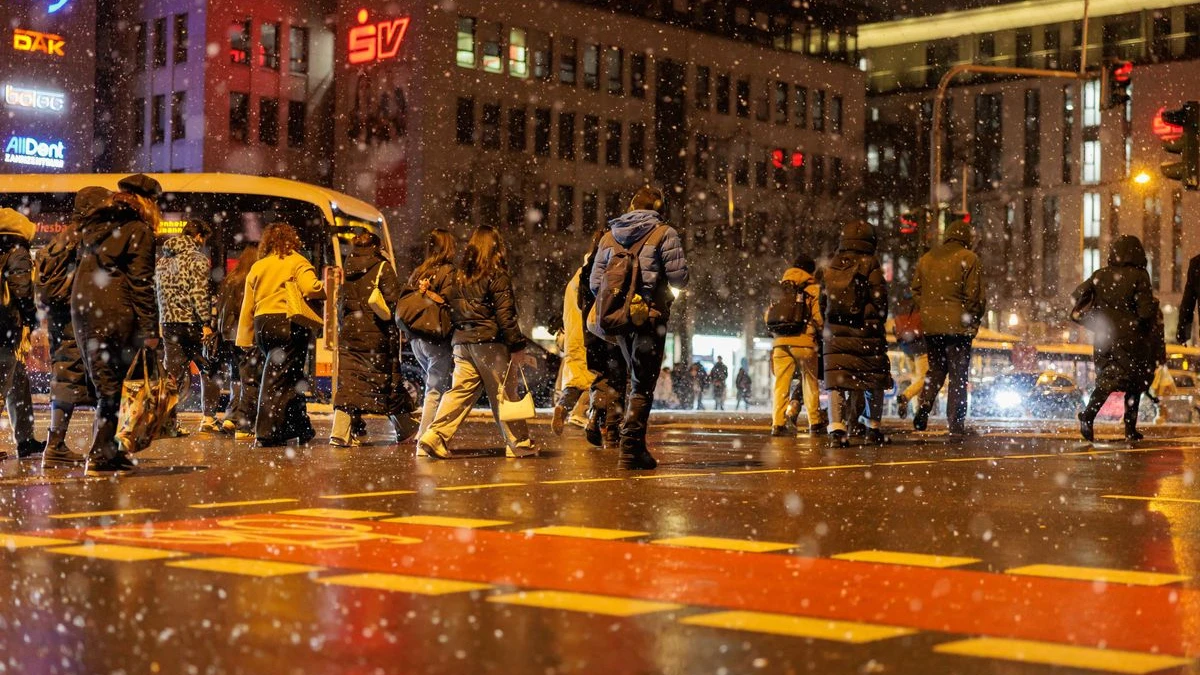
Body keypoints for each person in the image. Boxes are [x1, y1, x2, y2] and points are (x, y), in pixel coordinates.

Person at [589, 186, 688, 469]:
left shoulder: (609, 236)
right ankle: (631, 449)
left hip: (619, 320)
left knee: (633, 378)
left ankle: (630, 445)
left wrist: (621, 296)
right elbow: (679, 278)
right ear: (658, 208)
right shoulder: (664, 233)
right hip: (649, 317)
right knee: (643, 385)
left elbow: (596, 285)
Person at [418, 225, 535, 459]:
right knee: (504, 394)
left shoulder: (460, 276)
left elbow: (451, 308)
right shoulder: (496, 274)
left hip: (462, 343)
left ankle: (435, 435)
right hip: (489, 343)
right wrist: (517, 346)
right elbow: (506, 314)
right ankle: (520, 444)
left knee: (459, 392)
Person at [72, 174, 162, 473]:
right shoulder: (138, 230)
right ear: (147, 202)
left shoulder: (94, 227)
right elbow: (141, 283)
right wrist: (150, 330)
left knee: (105, 385)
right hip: (116, 311)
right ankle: (101, 454)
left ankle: (107, 450)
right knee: (114, 387)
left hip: (85, 310)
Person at [36, 188, 108, 466]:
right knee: (103, 380)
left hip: (60, 317)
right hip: (81, 316)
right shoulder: (89, 238)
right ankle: (98, 448)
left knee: (65, 373)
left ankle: (56, 444)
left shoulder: (61, 238)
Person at [236, 222, 325, 447]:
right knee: (277, 377)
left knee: (290, 375)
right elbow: (311, 288)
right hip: (288, 322)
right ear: (292, 240)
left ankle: (301, 428)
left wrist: (245, 337)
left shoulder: (259, 266)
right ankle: (266, 432)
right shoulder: (297, 261)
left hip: (262, 324)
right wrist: (326, 286)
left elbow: (248, 304)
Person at [331, 232, 417, 447]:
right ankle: (405, 429)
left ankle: (340, 433)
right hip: (377, 335)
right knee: (387, 383)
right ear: (377, 247)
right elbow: (394, 304)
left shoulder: (348, 268)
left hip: (351, 335)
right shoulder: (382, 267)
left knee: (351, 383)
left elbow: (341, 303)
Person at [1073, 235, 1160, 442]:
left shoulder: (1100, 275)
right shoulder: (1139, 276)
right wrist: (1152, 307)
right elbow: (1146, 312)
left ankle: (1089, 415)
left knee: (1105, 382)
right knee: (1134, 384)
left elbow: (1077, 295)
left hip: (1104, 338)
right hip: (1131, 340)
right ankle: (1130, 429)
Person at [910, 218, 985, 437]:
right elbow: (975, 297)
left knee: (936, 371)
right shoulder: (970, 259)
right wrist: (971, 320)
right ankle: (955, 425)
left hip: (932, 328)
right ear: (967, 239)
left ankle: (924, 406)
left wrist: (927, 309)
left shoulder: (926, 259)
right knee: (958, 376)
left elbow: (915, 289)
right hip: (958, 328)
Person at [821, 221, 891, 447]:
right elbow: (880, 298)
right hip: (866, 332)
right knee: (872, 379)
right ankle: (873, 429)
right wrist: (874, 317)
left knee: (836, 382)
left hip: (836, 335)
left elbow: (824, 302)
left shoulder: (833, 264)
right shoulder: (870, 263)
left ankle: (837, 431)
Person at [156, 220, 218, 436]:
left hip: (169, 324)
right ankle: (209, 418)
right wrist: (206, 324)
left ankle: (168, 423)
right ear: (199, 236)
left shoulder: (163, 261)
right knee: (209, 368)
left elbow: (158, 294)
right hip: (191, 324)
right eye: (204, 240)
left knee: (173, 376)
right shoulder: (197, 260)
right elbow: (199, 295)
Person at [403, 228, 458, 452]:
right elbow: (448, 302)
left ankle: (427, 431)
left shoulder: (419, 271)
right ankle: (427, 435)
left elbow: (406, 299)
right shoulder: (448, 272)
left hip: (416, 337)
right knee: (436, 388)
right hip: (436, 337)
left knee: (432, 385)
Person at [0, 208, 44, 461]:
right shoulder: (17, 252)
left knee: (19, 384)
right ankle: (25, 440)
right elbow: (21, 287)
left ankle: (26, 440)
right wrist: (30, 316)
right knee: (4, 383)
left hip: (4, 327)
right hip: (6, 326)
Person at [769, 255, 824, 437]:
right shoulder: (813, 288)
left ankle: (778, 424)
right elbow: (818, 318)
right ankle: (815, 422)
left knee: (781, 385)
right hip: (804, 341)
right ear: (811, 271)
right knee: (810, 382)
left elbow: (768, 316)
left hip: (780, 342)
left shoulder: (781, 287)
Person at [211, 245, 259, 439]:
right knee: (250, 377)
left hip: (228, 335)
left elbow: (220, 308)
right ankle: (243, 421)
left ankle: (231, 415)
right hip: (245, 333)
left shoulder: (230, 279)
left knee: (236, 376)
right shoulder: (250, 279)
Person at [552, 252, 597, 435]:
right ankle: (584, 415)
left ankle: (562, 407)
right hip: (589, 336)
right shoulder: (591, 279)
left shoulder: (573, 281)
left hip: (573, 337)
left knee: (575, 381)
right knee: (593, 380)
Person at [892, 294, 927, 420]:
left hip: (906, 346)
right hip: (921, 346)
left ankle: (916, 411)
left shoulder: (900, 305)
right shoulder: (922, 303)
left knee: (915, 379)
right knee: (924, 379)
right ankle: (905, 397)